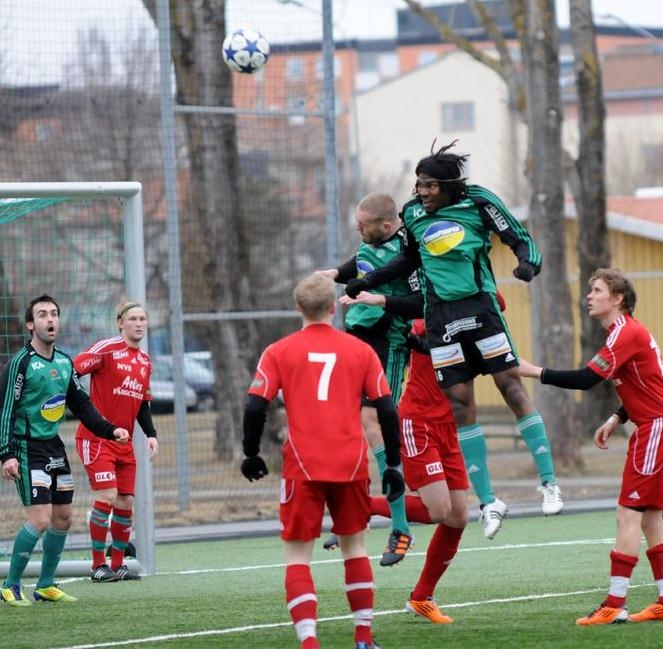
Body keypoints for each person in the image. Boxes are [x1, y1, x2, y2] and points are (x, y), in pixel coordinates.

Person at [345, 141, 563, 539]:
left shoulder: (477, 201)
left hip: (481, 308)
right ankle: (489, 501)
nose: (422, 192)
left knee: (511, 387)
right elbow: (408, 259)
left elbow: (516, 235)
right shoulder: (412, 214)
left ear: (448, 185)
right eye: (419, 185)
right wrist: (369, 281)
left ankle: (549, 482)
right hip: (441, 318)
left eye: (429, 185)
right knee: (461, 404)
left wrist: (528, 262)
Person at [240, 273, 405, 649]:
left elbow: (254, 406)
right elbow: (386, 408)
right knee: (355, 548)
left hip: (303, 464)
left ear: (298, 308)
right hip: (351, 463)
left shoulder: (278, 351)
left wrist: (251, 453)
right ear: (333, 307)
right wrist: (393, 464)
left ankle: (309, 642)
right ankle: (363, 637)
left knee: (298, 556)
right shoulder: (360, 351)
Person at [518, 268, 663, 626]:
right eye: (589, 290)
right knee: (650, 518)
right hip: (652, 426)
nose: (589, 296)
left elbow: (586, 379)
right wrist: (617, 416)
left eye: (597, 290)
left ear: (618, 298)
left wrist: (534, 371)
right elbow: (651, 384)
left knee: (628, 514)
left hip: (655, 430)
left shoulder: (625, 332)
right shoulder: (624, 333)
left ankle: (615, 604)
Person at [0, 295, 130, 607]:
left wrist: (110, 430)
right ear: (30, 325)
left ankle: (45, 585)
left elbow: (81, 405)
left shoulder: (63, 361)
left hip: (54, 447)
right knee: (41, 518)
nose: (50, 319)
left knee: (63, 517)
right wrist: (6, 454)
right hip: (27, 448)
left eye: (54, 314)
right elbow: (5, 410)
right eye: (42, 314)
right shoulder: (21, 363)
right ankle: (10, 585)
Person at [317, 192, 416, 565]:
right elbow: (359, 263)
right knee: (347, 425)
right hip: (356, 339)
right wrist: (334, 274)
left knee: (375, 422)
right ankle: (356, 513)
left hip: (388, 343)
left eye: (363, 224)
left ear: (386, 225)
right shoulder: (370, 244)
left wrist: (379, 301)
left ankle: (401, 527)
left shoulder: (409, 252)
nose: (357, 229)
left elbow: (420, 301)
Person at [74, 300, 159, 582]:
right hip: (96, 438)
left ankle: (119, 565)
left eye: (142, 319)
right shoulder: (106, 349)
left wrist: (151, 435)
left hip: (124, 443)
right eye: (133, 319)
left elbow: (142, 404)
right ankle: (98, 566)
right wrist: (83, 407)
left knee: (125, 501)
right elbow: (71, 372)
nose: (138, 324)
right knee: (107, 495)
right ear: (121, 323)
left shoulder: (145, 362)